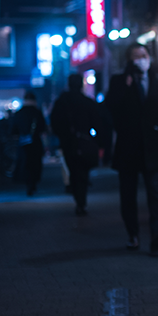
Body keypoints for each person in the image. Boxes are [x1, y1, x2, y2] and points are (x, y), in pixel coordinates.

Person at [104, 43, 158, 254]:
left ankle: (157, 235)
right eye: (136, 57)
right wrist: (125, 86)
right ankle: (132, 234)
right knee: (128, 194)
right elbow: (110, 108)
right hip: (128, 147)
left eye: (144, 55)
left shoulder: (157, 80)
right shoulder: (119, 81)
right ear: (129, 61)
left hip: (151, 147)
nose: (141, 60)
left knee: (155, 192)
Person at [49, 73, 108, 215]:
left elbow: (54, 122)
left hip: (68, 142)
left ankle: (79, 199)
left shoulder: (61, 101)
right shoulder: (87, 102)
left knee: (73, 171)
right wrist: (100, 143)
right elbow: (98, 123)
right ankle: (82, 200)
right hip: (85, 141)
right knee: (83, 170)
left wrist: (62, 136)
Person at [10, 91, 48, 196]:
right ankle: (33, 184)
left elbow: (13, 129)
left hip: (22, 143)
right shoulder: (37, 112)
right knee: (35, 164)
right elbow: (43, 127)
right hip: (35, 142)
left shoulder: (19, 113)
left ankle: (28, 184)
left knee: (25, 163)